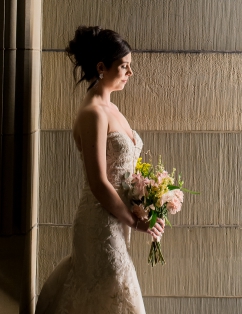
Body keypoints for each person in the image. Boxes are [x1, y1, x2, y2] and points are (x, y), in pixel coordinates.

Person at [37, 26, 165, 314]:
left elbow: (125, 170)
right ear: (101, 68)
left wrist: (149, 199)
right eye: (124, 66)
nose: (130, 72)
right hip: (100, 223)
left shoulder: (113, 109)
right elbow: (98, 182)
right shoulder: (93, 113)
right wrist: (136, 223)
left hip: (118, 220)